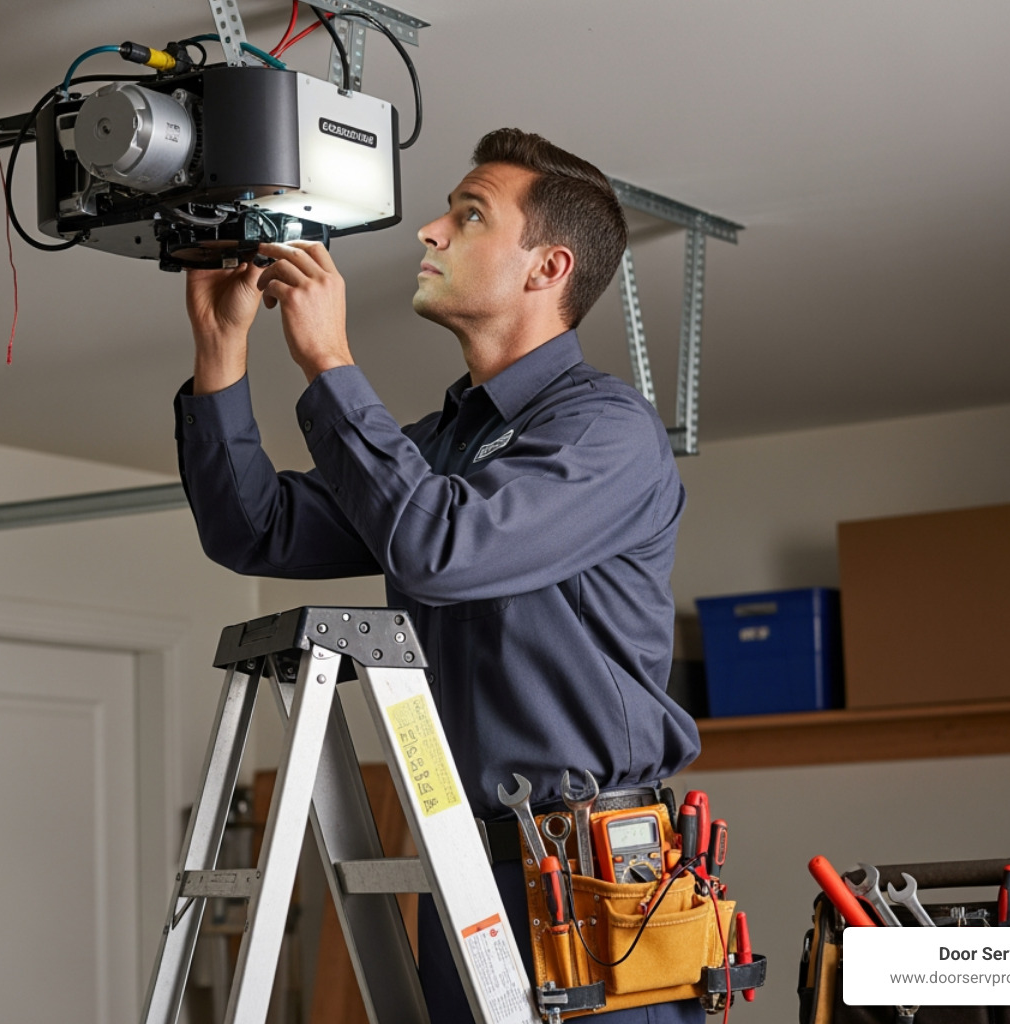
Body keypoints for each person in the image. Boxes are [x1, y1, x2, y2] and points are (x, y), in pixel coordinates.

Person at [174, 128, 702, 1024]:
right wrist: (222, 349)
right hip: (467, 866)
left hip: (596, 879)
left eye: (468, 215)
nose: (429, 231)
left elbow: (440, 550)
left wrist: (330, 363)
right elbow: (257, 530)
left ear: (547, 268)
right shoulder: (442, 445)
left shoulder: (607, 432)